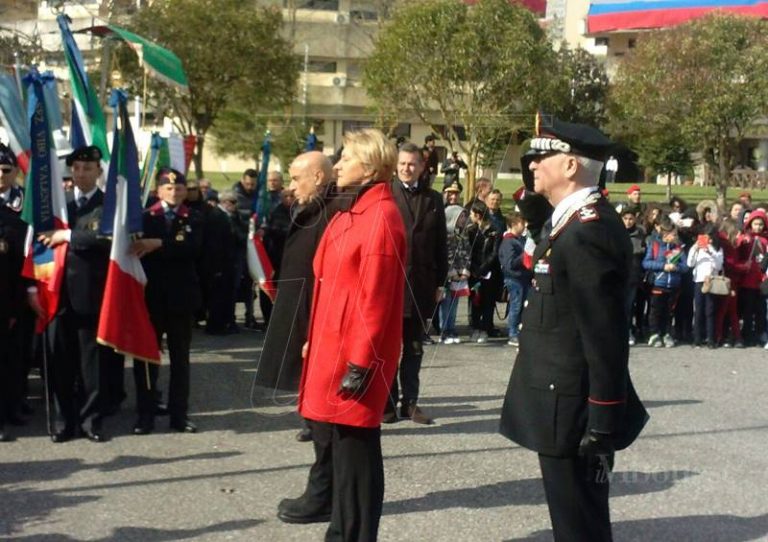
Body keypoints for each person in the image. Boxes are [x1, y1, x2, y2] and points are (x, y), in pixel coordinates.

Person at [499, 114, 648, 542]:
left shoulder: (589, 229)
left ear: (569, 166)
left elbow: (604, 334)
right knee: (572, 518)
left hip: (574, 407)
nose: (532, 166)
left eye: (542, 158)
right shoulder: (570, 220)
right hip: (559, 400)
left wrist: (604, 417)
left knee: (579, 523)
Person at [290, 129, 406, 541]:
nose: (336, 165)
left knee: (356, 456)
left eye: (345, 159)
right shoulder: (354, 211)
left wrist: (361, 363)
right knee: (342, 451)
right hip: (333, 349)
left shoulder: (381, 217)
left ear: (371, 167)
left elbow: (375, 302)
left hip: (353, 358)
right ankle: (341, 530)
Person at [256, 151, 335, 449]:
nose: (291, 185)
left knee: (312, 365)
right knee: (299, 366)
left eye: (296, 178)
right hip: (295, 294)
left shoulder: (331, 211)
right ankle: (309, 416)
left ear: (317, 177)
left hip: (313, 301)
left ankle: (317, 419)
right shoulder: (305, 207)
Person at [38, 145, 113, 443]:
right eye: (77, 169)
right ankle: (64, 421)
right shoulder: (59, 204)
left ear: (98, 172)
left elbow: (105, 238)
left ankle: (91, 421)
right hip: (56, 295)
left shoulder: (108, 205)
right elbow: (40, 241)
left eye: (87, 169)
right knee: (60, 362)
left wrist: (67, 236)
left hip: (90, 295)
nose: (81, 174)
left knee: (91, 364)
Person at [131, 168, 203, 435]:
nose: (174, 192)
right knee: (146, 360)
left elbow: (194, 248)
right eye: (168, 188)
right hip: (151, 299)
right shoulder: (145, 217)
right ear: (158, 190)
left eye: (179, 188)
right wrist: (160, 244)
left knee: (180, 360)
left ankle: (179, 415)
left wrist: (159, 244)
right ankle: (145, 415)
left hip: (182, 300)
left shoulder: (194, 216)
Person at [384, 142, 447, 425]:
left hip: (421, 284)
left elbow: (440, 246)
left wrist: (440, 283)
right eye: (402, 164)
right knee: (386, 349)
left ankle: (410, 403)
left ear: (422, 167)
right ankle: (386, 404)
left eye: (412, 164)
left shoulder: (434, 199)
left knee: (414, 349)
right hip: (390, 284)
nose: (407, 169)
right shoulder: (385, 194)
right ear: (395, 167)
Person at [202, 190, 243, 335]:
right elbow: (214, 244)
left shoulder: (227, 216)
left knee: (225, 295)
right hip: (218, 264)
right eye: (233, 202)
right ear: (225, 202)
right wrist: (217, 267)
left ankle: (223, 323)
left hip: (227, 263)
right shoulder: (216, 217)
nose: (235, 206)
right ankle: (215, 325)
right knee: (217, 297)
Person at [643, 218, 689, 348]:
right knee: (656, 310)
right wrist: (663, 266)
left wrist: (676, 268)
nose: (675, 236)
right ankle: (654, 334)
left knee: (669, 311)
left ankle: (666, 333)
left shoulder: (678, 248)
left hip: (673, 284)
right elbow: (646, 263)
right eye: (673, 234)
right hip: (658, 283)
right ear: (665, 234)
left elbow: (685, 266)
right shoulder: (655, 246)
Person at [438, 182, 471, 344]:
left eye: (464, 216)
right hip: (449, 276)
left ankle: (452, 329)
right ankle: (444, 331)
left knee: (455, 304)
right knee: (446, 304)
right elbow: (445, 255)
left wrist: (465, 269)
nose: (464, 219)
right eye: (461, 217)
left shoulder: (462, 235)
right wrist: (451, 271)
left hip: (460, 275)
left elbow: (466, 253)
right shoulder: (446, 235)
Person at [466, 200, 501, 343]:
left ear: (478, 215)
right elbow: (469, 251)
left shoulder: (495, 230)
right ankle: (475, 327)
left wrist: (484, 268)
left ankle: (486, 328)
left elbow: (494, 253)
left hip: (490, 272)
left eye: (472, 214)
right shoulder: (471, 230)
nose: (470, 216)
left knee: (488, 301)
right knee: (475, 300)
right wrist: (475, 269)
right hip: (475, 271)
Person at [498, 212, 532, 347]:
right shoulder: (508, 241)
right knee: (516, 306)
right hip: (514, 279)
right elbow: (509, 264)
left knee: (523, 306)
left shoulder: (519, 240)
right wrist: (525, 255)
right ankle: (512, 333)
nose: (524, 227)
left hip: (524, 278)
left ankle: (519, 330)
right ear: (514, 224)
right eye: (522, 224)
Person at [687, 225, 724, 348]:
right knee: (698, 310)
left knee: (710, 310)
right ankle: (697, 338)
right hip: (699, 280)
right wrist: (695, 248)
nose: (707, 240)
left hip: (712, 280)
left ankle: (710, 338)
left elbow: (718, 266)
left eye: (709, 238)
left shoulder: (717, 249)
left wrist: (710, 251)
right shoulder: (697, 249)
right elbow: (690, 263)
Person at [736, 209, 767, 346]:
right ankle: (746, 334)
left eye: (761, 224)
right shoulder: (744, 238)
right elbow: (739, 255)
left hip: (761, 280)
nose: (758, 227)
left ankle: (760, 333)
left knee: (760, 310)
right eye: (755, 224)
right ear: (750, 224)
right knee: (747, 310)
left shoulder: (765, 240)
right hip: (747, 280)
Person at [232, 169, 259, 328]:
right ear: (242, 180)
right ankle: (233, 316)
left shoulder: (259, 197)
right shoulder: (235, 196)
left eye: (253, 184)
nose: (250, 187)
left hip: (254, 246)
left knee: (251, 282)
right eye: (248, 183)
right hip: (239, 245)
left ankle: (250, 315)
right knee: (236, 282)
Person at [621, 208, 647, 346]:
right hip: (619, 275)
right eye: (625, 219)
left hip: (634, 274)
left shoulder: (640, 234)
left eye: (630, 219)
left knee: (630, 306)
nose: (628, 222)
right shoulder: (616, 233)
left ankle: (630, 331)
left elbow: (644, 253)